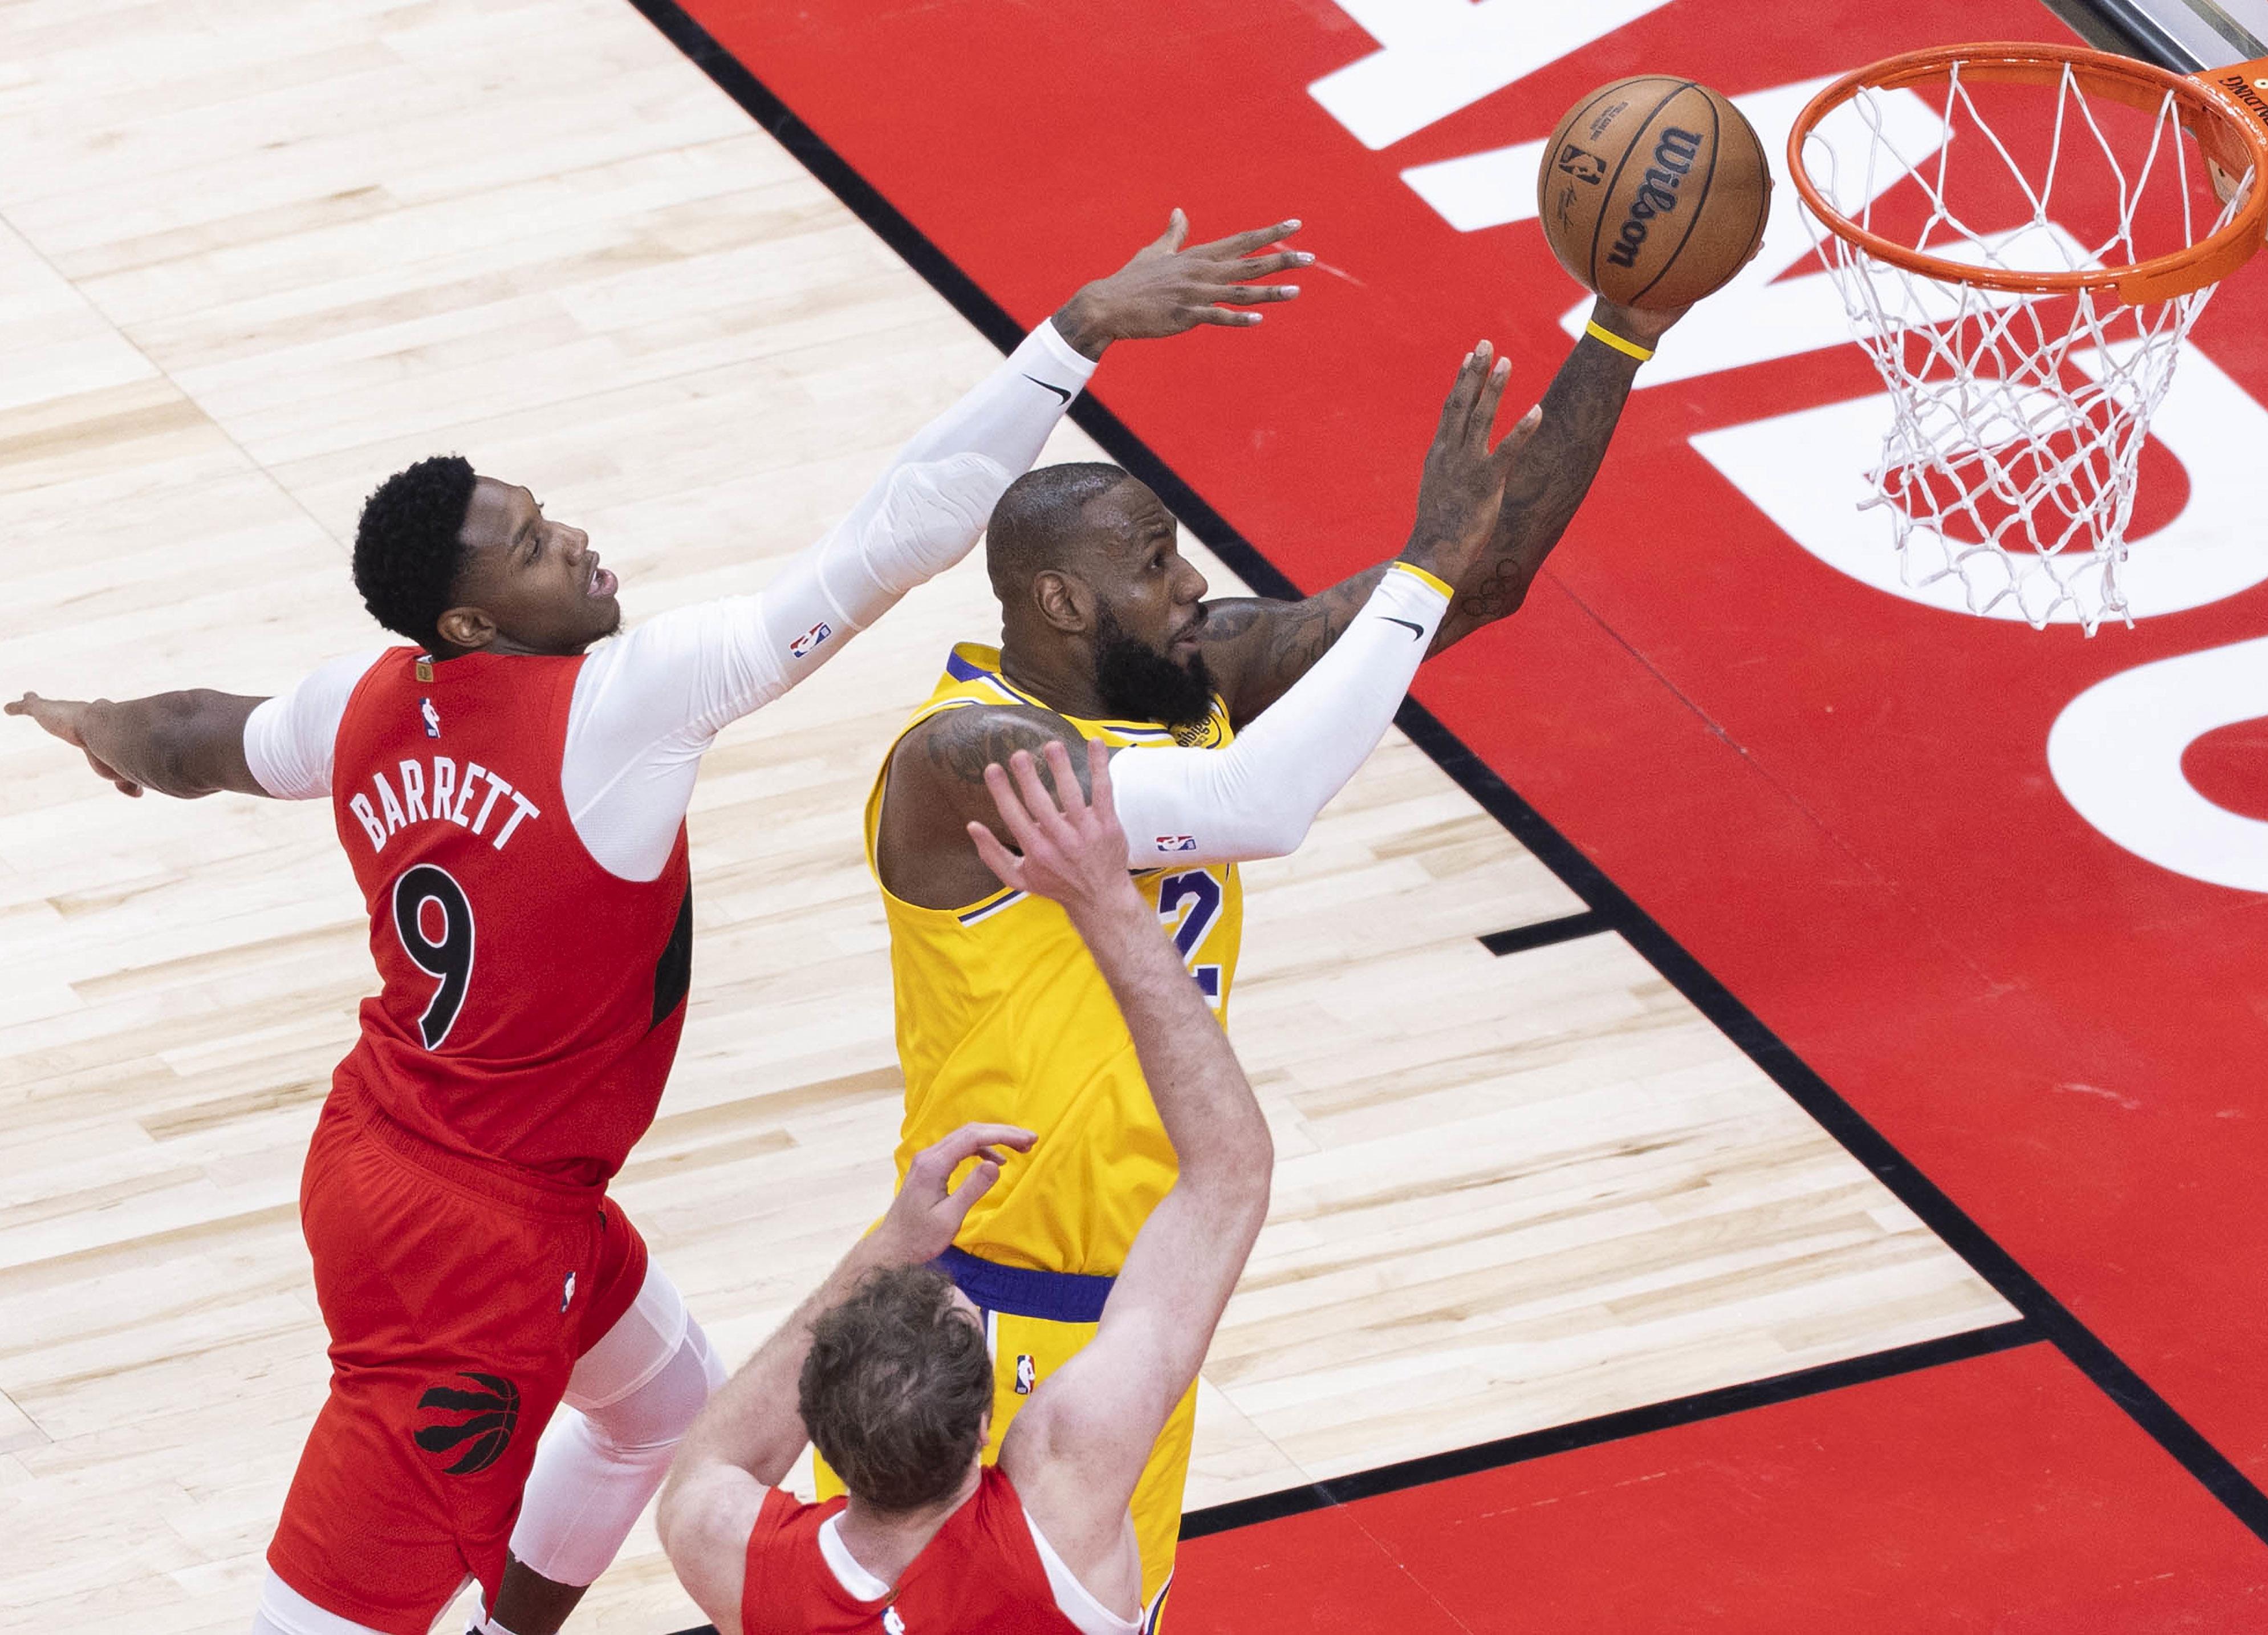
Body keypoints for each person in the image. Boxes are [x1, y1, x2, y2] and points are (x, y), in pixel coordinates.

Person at [3, 210, 1311, 1635]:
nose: (571, 541)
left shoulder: (365, 700)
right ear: (471, 625)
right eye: (528, 548)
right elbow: (897, 533)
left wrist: (92, 722)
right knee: (331, 1614)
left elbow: (193, 736)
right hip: (472, 1243)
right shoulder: (621, 707)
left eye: (544, 514)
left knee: (668, 1408)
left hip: (392, 1141)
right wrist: (1073, 335)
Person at [856, 296, 1693, 1622]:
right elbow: (1261, 803)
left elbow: (1472, 582)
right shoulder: (966, 760)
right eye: (1153, 565)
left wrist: (1624, 329)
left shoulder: (1188, 678)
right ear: (1063, 601)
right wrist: (1421, 561)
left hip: (1145, 1307)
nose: (1191, 584)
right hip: (980, 1313)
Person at [656, 734, 1275, 1634]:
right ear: (991, 1427)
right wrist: (1104, 897)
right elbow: (1229, 1174)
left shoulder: (729, 1555)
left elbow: (709, 1464)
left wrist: (891, 1246)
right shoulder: (1061, 1507)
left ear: (817, 1430)